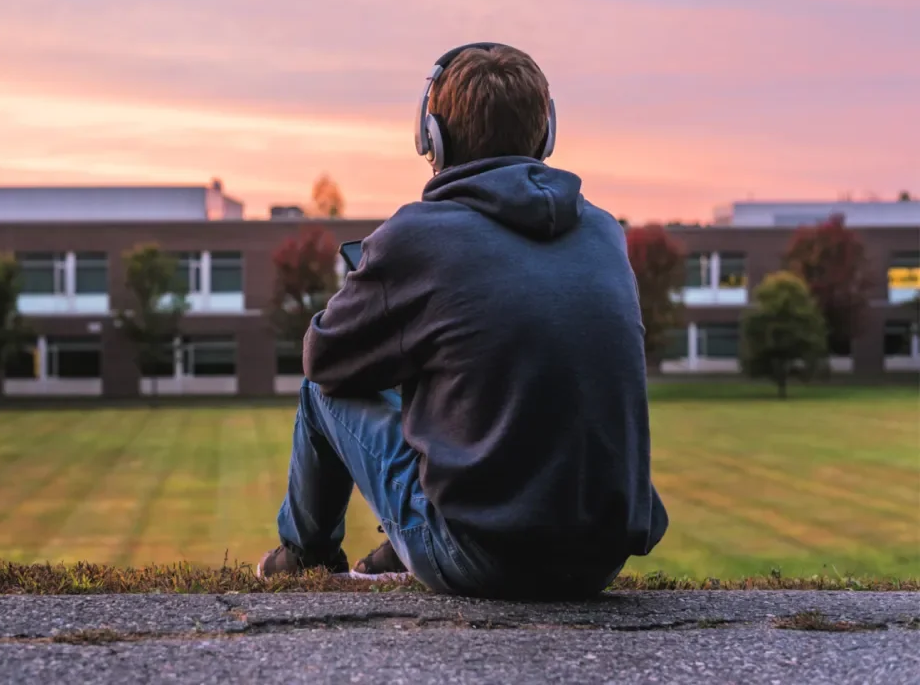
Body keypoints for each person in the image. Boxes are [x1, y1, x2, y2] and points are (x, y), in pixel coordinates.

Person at [258, 42, 668, 599]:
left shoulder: (418, 236)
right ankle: (397, 550)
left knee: (320, 391)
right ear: (545, 133)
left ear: (433, 136)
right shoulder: (603, 231)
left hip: (479, 559)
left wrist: (373, 290)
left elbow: (326, 357)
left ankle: (305, 558)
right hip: (599, 561)